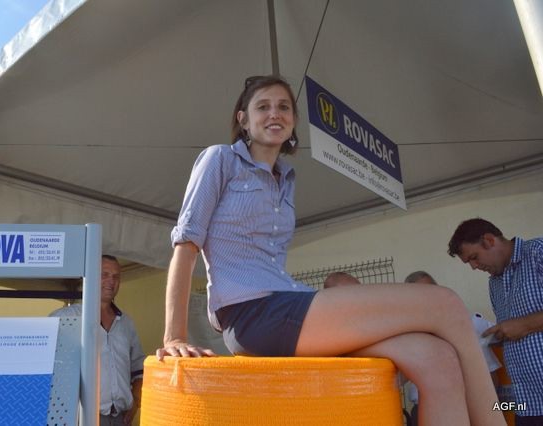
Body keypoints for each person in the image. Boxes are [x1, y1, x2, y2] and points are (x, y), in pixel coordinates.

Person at [156, 75, 505, 425]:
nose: (274, 113)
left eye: (283, 107)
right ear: (243, 119)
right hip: (253, 312)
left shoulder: (286, 179)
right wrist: (174, 335)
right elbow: (186, 245)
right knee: (445, 303)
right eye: (263, 106)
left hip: (287, 303)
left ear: (293, 121)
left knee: (437, 360)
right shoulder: (220, 159)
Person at [448, 218, 543, 425]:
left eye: (474, 257)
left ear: (489, 240)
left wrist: (524, 325)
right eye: (468, 263)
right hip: (527, 405)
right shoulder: (495, 284)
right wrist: (495, 338)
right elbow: (514, 333)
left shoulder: (538, 252)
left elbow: (520, 327)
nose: (474, 267)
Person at [51, 255, 145, 426]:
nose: (111, 281)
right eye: (104, 274)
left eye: (116, 276)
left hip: (121, 419)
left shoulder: (126, 323)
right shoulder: (67, 317)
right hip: (82, 419)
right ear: (91, 277)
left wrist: (136, 402)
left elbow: (139, 370)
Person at [404, 270, 502, 426]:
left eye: (432, 291)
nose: (429, 298)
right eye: (420, 295)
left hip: (478, 408)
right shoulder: (408, 336)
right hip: (428, 413)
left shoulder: (472, 322)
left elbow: (504, 334)